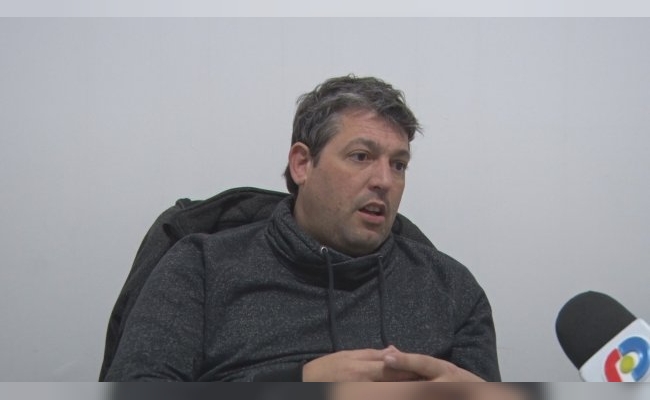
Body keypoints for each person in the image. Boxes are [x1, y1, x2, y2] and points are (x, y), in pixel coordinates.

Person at [104, 75, 500, 381]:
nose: (384, 180)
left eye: (398, 164)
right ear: (302, 164)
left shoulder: (453, 289)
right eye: (361, 156)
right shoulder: (200, 267)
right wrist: (298, 383)